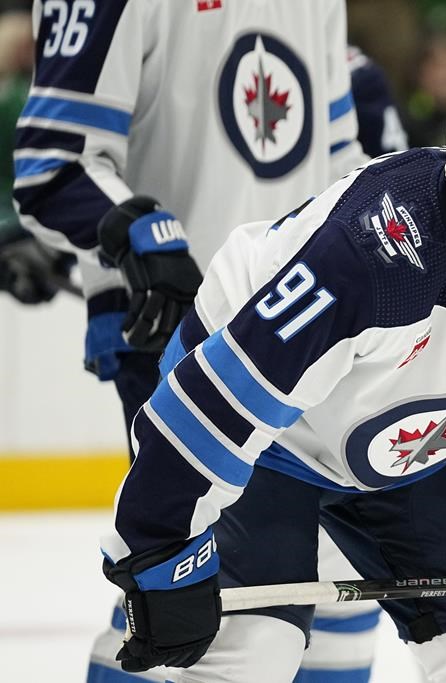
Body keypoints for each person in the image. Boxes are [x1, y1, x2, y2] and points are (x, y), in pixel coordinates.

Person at [98, 43, 446, 682]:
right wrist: (158, 552)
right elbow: (212, 408)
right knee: (250, 656)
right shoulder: (369, 256)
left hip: (400, 454)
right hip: (269, 444)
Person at [11, 1, 381, 680]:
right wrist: (132, 235)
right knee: (207, 609)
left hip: (316, 337)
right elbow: (52, 164)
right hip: (182, 341)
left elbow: (341, 164)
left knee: (337, 593)